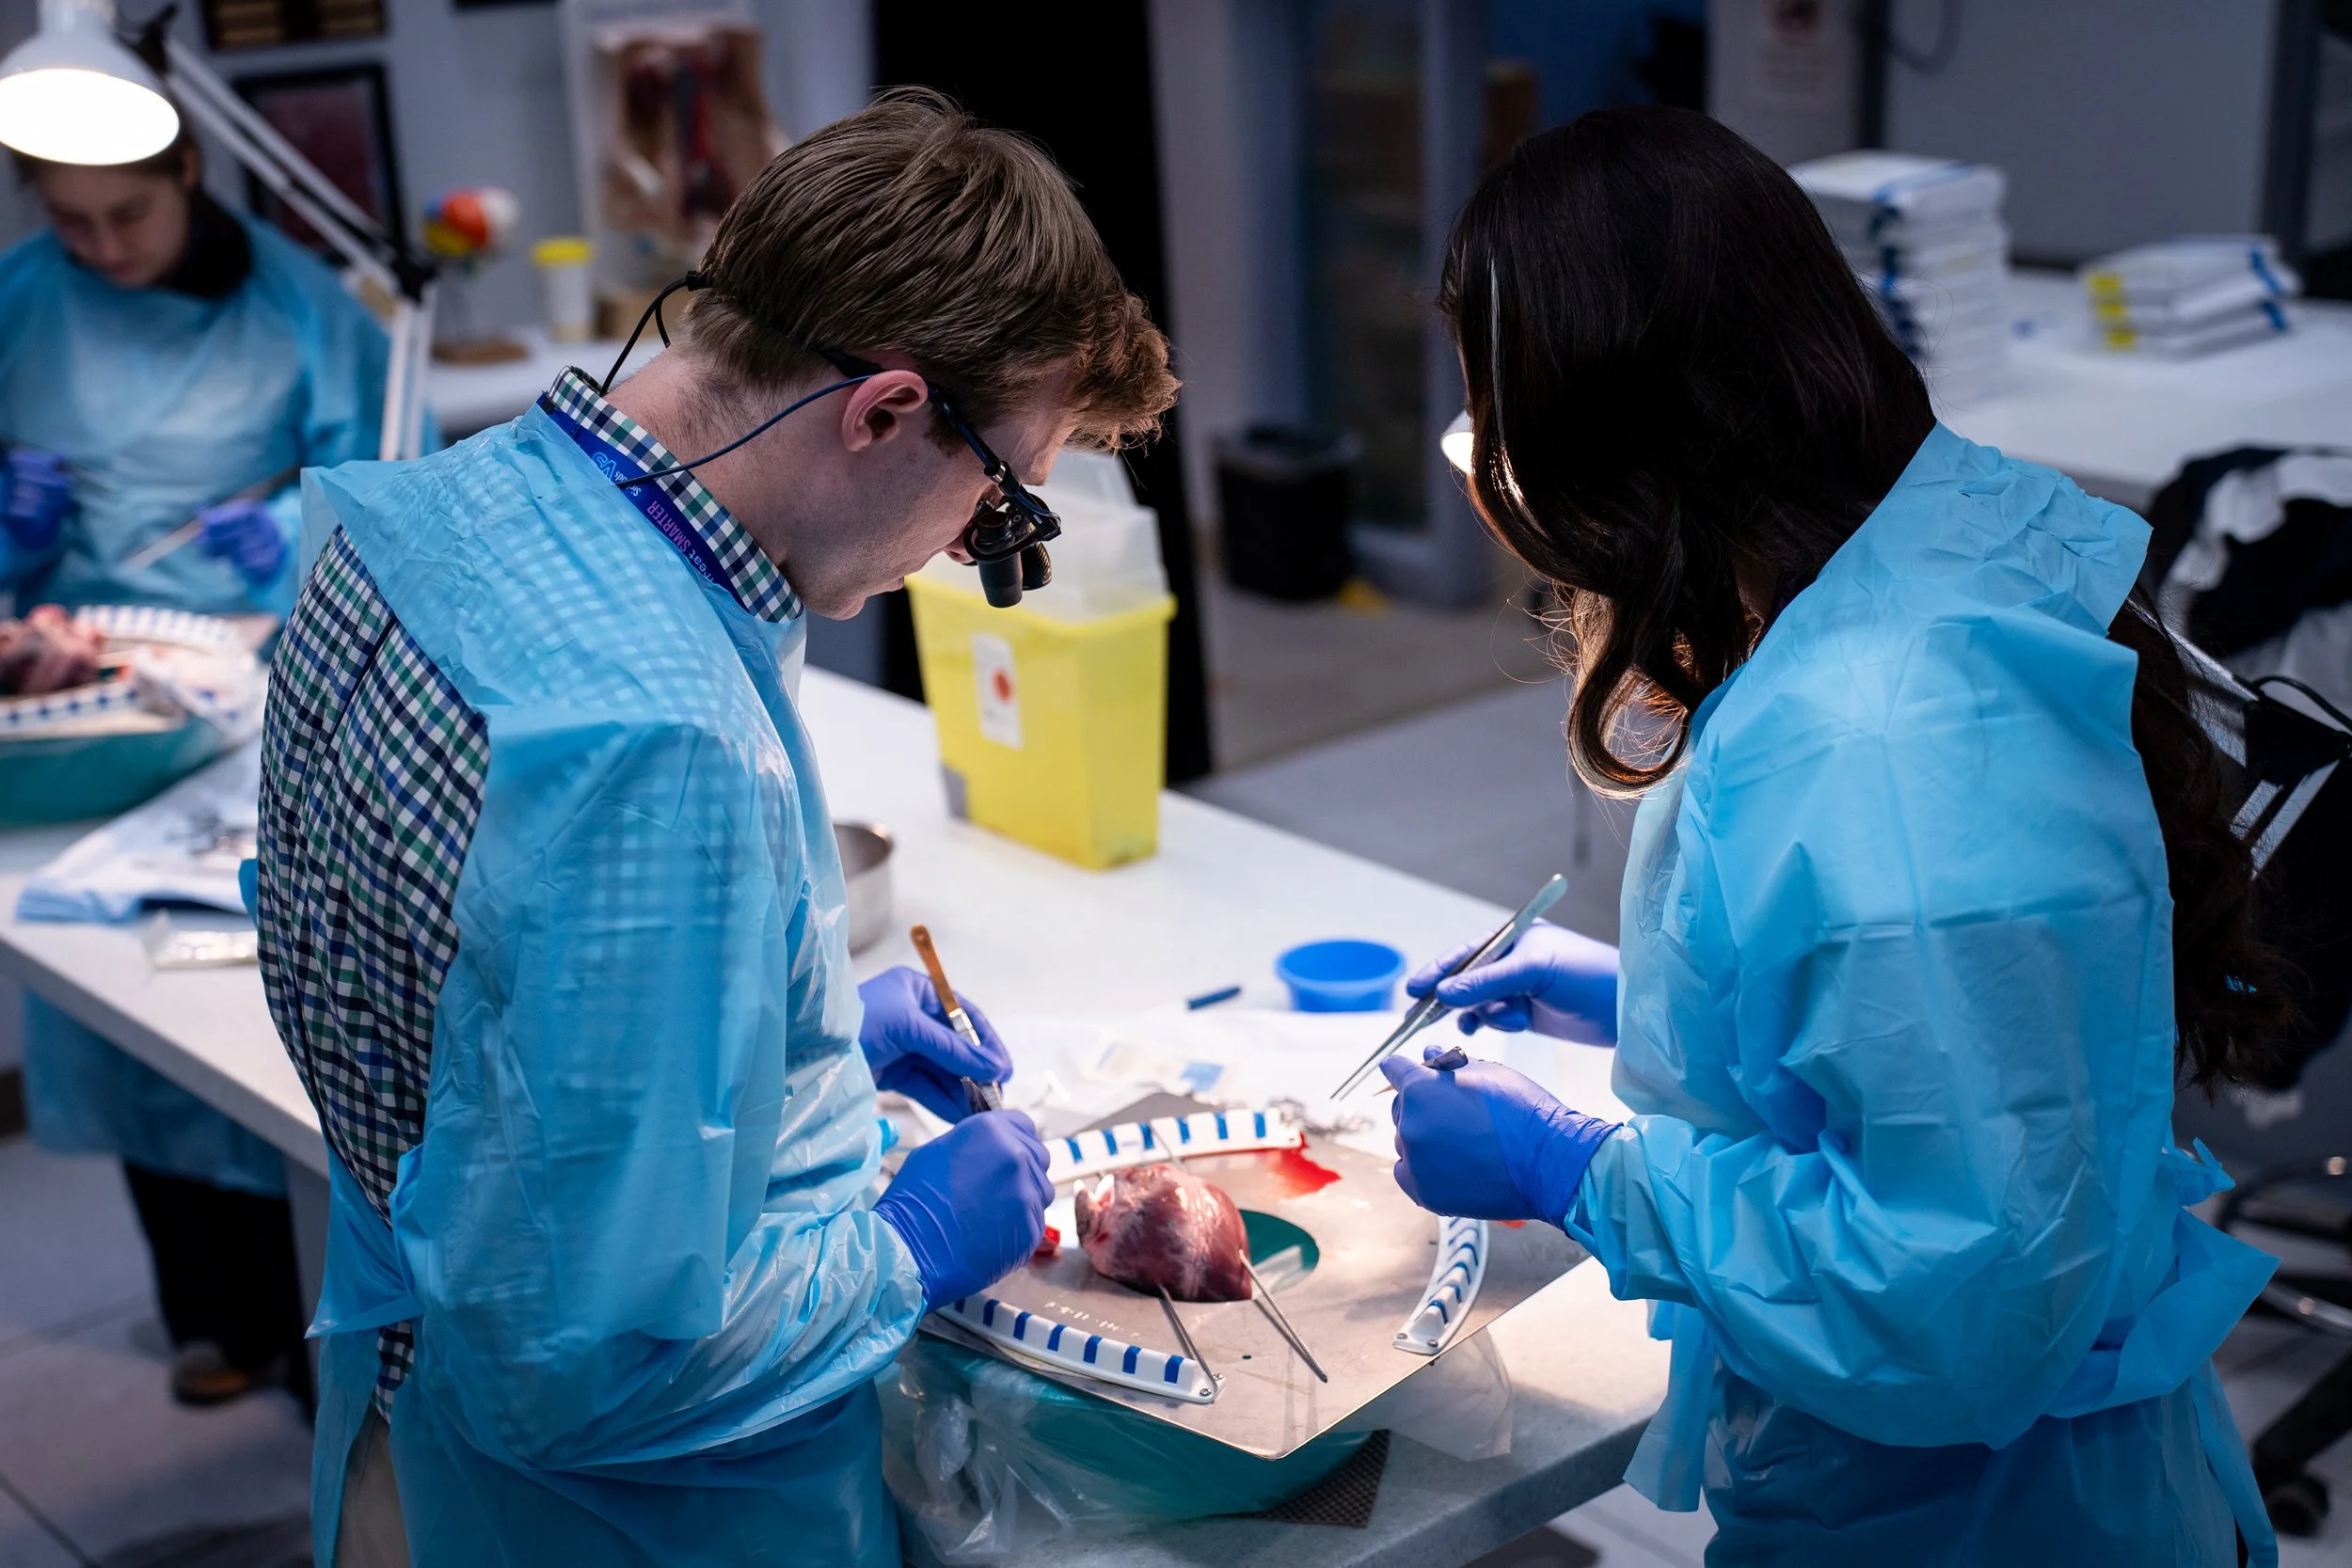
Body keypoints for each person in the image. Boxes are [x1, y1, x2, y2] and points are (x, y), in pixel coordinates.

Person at [250, 90, 1176, 1568]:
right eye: (999, 502)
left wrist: (789, 1051)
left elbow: (478, 1039)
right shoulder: (659, 746)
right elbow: (594, 1363)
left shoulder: (446, 509)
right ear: (884, 413)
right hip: (614, 1518)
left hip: (406, 1424)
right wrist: (908, 1247)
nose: (970, 550)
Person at [1380, 106, 2289, 1567]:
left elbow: (1948, 1294)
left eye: (1502, 406)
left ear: (1620, 430)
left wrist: (1579, 1170)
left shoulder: (1879, 740)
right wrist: (1660, 1000)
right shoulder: (1889, 565)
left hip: (1988, 1524)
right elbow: (1968, 1042)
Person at [0, 122, 407, 1407]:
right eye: (71, 222)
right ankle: (217, 1318)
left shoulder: (298, 305)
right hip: (79, 707)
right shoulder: (22, 300)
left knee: (250, 1012)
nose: (102, 248)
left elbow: (385, 485)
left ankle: (316, 1341)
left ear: (186, 170)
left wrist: (292, 533)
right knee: (121, 1016)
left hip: (263, 682)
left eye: (126, 214)